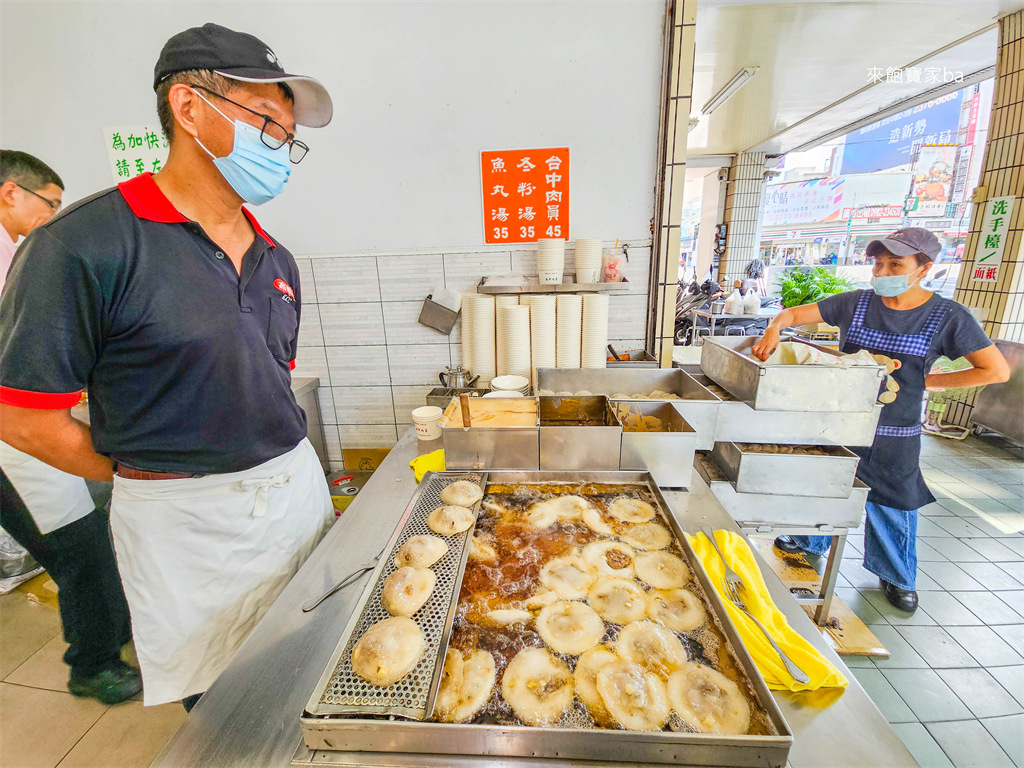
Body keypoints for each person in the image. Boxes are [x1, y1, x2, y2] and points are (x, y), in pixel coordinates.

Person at [0, 23, 335, 709]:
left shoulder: (277, 260)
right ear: (189, 108)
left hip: (294, 497)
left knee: (313, 669)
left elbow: (268, 380)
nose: (280, 149)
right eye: (266, 122)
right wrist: (144, 471)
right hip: (186, 527)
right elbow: (22, 418)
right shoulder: (84, 246)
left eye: (287, 137)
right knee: (223, 703)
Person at [752, 228, 1009, 614]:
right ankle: (810, 539)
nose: (883, 270)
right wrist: (775, 327)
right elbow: (791, 314)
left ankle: (897, 575)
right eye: (878, 263)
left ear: (923, 268)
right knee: (827, 483)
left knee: (893, 501)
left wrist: (929, 382)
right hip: (840, 416)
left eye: (895, 264)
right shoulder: (856, 303)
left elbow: (995, 370)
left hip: (895, 428)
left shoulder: (947, 316)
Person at [0, 151, 140, 704]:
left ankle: (114, 632)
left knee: (93, 532)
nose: (54, 217)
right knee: (77, 546)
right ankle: (93, 664)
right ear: (11, 193)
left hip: (24, 432)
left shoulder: (18, 251)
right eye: (50, 204)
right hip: (12, 445)